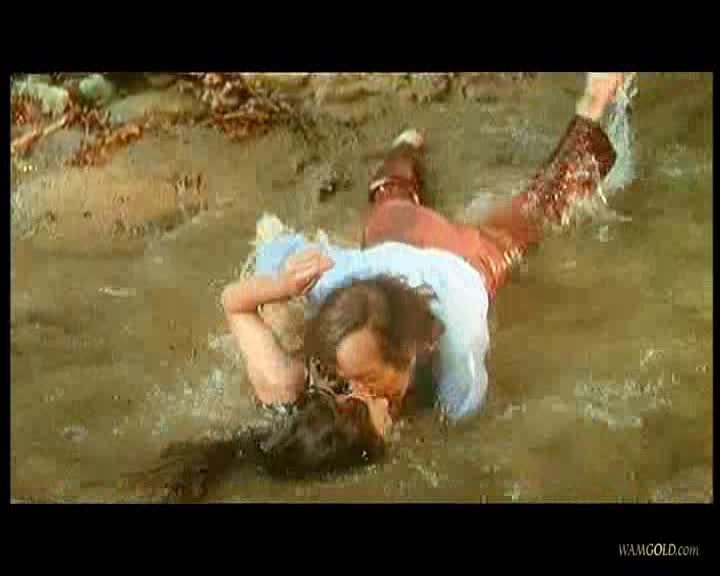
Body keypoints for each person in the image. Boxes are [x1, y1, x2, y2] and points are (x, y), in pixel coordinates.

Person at [221, 72, 631, 477]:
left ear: (415, 350)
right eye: (343, 382)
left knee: (537, 212)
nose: (359, 394)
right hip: (390, 238)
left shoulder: (457, 347)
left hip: (458, 258)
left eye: (372, 386)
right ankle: (405, 145)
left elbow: (463, 415)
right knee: (391, 195)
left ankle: (594, 103)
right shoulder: (330, 282)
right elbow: (273, 250)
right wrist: (281, 289)